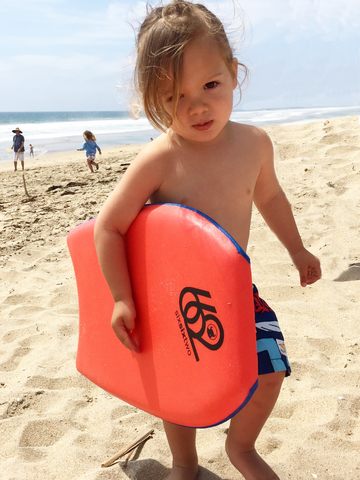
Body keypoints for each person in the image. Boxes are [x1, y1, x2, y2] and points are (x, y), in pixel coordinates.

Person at [94, 2, 322, 479]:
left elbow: (271, 197)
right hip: (176, 300)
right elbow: (108, 227)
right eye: (174, 97)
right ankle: (184, 461)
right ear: (151, 99)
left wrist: (296, 250)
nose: (196, 106)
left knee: (270, 369)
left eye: (210, 86)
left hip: (238, 293)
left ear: (233, 73)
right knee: (181, 385)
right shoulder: (159, 161)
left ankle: (242, 447)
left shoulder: (254, 143)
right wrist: (120, 297)